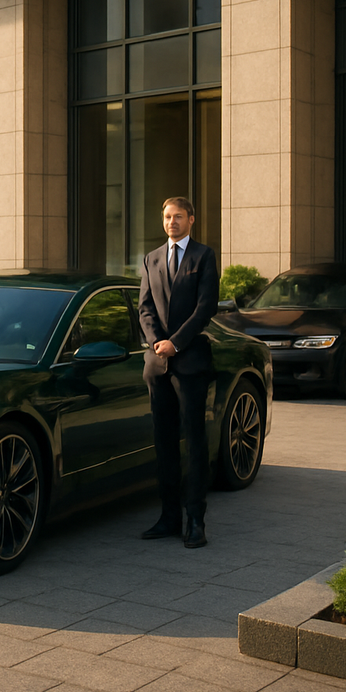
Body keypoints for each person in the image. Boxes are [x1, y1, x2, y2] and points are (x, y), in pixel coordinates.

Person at [137, 196, 219, 549]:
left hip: (190, 363)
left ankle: (195, 520)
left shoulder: (204, 256)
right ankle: (168, 517)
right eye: (167, 216)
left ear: (191, 220)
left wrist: (176, 343)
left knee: (194, 442)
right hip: (157, 366)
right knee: (164, 443)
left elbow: (206, 307)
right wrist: (157, 343)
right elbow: (144, 308)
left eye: (179, 217)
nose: (172, 222)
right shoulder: (152, 258)